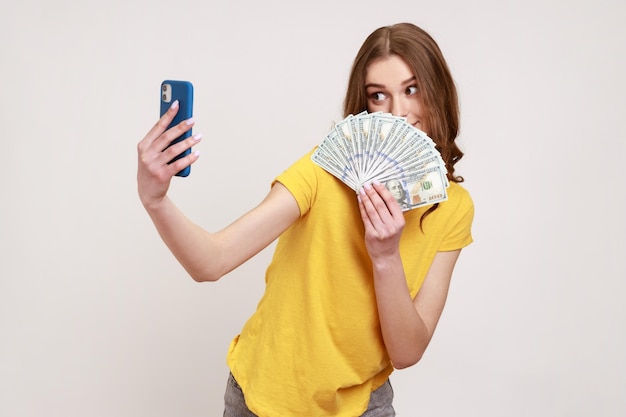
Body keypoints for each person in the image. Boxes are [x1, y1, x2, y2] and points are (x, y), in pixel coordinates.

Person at [137, 22, 474, 417]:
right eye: (379, 96)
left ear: (438, 90)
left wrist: (385, 257)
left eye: (411, 89)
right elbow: (211, 261)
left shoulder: (453, 207)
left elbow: (407, 351)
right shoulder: (324, 170)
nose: (398, 113)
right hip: (264, 399)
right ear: (365, 108)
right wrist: (155, 200)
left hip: (362, 406)